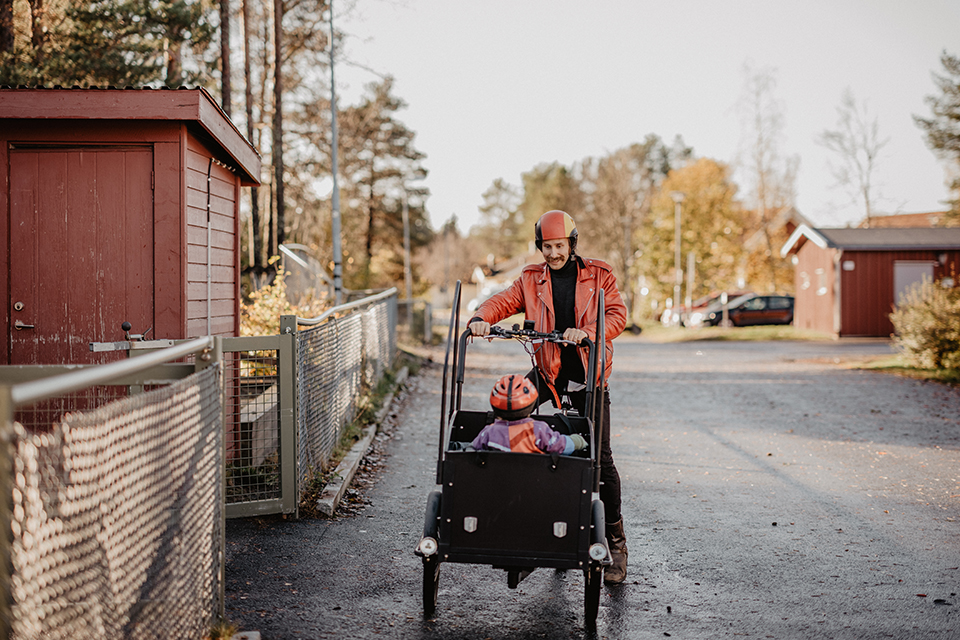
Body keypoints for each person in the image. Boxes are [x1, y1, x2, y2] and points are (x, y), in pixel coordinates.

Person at [467, 209, 629, 584]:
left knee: (599, 457)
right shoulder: (531, 278)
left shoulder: (599, 274)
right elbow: (503, 302)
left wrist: (588, 331)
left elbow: (617, 314)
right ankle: (525, 529)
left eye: (559, 245)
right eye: (547, 246)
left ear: (572, 243)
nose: (553, 253)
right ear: (540, 245)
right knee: (507, 420)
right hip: (548, 371)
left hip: (588, 375)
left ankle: (616, 543)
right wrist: (481, 317)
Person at [471, 374, 588, 454]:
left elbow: (471, 450)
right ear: (531, 404)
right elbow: (560, 446)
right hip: (533, 485)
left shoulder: (489, 432)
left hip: (497, 483)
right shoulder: (538, 430)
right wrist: (577, 440)